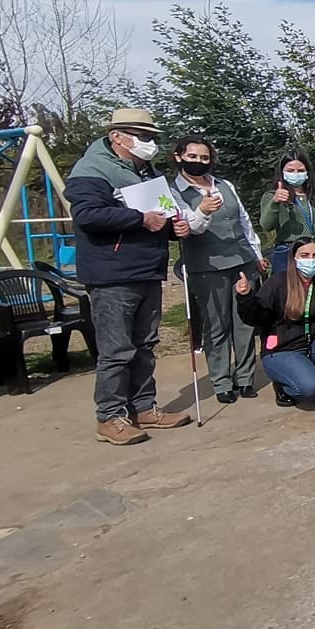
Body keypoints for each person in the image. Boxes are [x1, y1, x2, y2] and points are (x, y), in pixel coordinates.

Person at [65, 108, 193, 444]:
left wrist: (172, 228)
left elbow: (158, 215)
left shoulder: (145, 170)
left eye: (151, 136)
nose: (149, 143)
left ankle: (143, 407)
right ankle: (110, 417)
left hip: (147, 268)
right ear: (117, 136)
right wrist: (139, 219)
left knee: (145, 344)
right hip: (112, 274)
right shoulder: (91, 170)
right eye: (143, 136)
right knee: (117, 349)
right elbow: (88, 215)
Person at [172, 136, 267, 405]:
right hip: (207, 265)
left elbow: (243, 220)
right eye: (193, 157)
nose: (199, 162)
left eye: (204, 157)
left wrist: (256, 254)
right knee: (217, 325)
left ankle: (246, 377)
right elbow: (187, 228)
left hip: (242, 260)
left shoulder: (225, 185)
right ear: (179, 157)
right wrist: (201, 211)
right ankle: (222, 380)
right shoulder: (174, 191)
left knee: (244, 322)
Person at [235, 236, 315, 407]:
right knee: (309, 388)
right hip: (282, 349)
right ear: (294, 258)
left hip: (312, 344)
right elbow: (255, 318)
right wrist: (246, 297)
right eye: (304, 256)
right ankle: (284, 385)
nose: (311, 260)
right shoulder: (277, 282)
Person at [259, 149, 315, 274]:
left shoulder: (314, 197)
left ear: (307, 173)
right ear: (282, 173)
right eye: (290, 170)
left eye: (300, 170)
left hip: (313, 253)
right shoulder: (272, 195)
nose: (296, 173)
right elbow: (266, 225)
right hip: (287, 251)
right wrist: (275, 202)